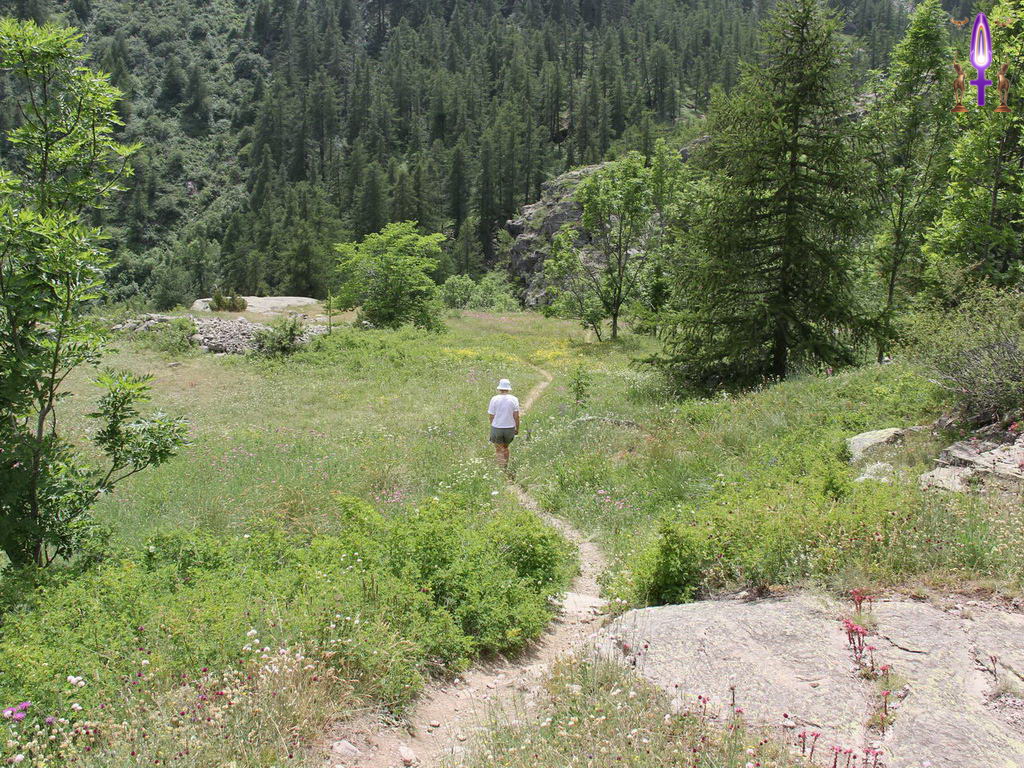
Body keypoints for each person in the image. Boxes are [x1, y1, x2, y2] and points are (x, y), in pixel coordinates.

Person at [487, 378, 520, 468]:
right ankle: (505, 466)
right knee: (505, 447)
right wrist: (517, 428)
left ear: (499, 388)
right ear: (509, 388)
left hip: (497, 427)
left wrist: (492, 425)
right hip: (509, 428)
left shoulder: (494, 399)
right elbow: (516, 416)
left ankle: (500, 467)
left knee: (498, 449)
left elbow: (491, 415)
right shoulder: (514, 399)